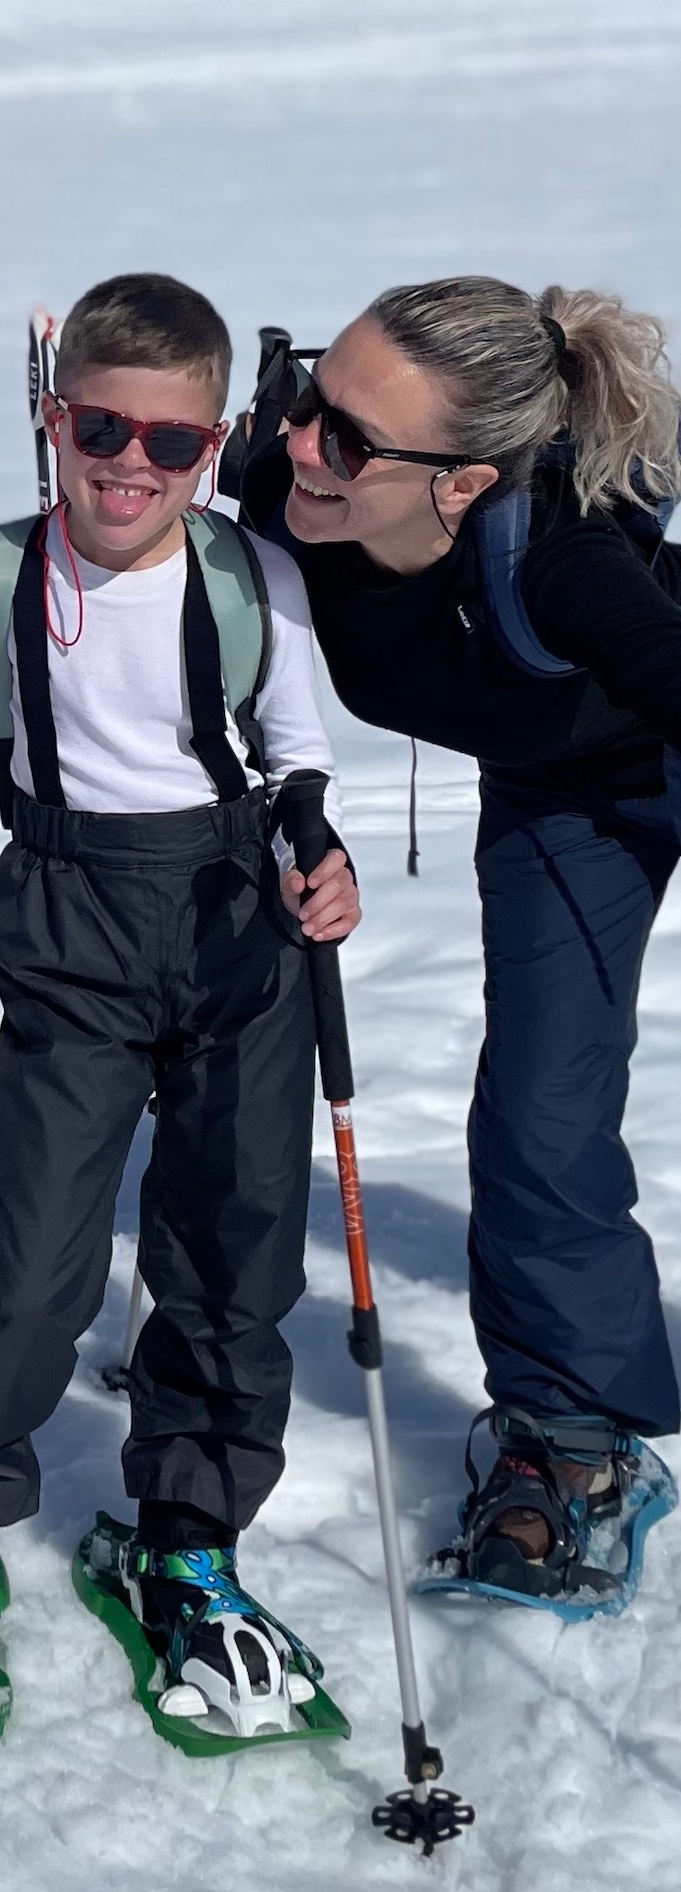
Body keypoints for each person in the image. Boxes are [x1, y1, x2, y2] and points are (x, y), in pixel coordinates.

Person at [0, 275, 360, 1743]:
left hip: (239, 933)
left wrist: (323, 856)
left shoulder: (251, 578)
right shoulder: (0, 569)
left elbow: (297, 758)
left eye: (171, 445)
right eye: (100, 428)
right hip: (68, 926)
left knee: (236, 1249)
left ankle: (187, 1535)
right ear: (53, 419)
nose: (131, 465)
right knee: (39, 1254)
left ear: (217, 440)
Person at [240, 277, 681, 1615]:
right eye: (316, 401)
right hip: (557, 798)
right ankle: (576, 1430)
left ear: (463, 483)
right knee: (539, 1114)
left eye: (354, 442)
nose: (307, 445)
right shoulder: (292, 488)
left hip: (647, 754)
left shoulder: (567, 569)